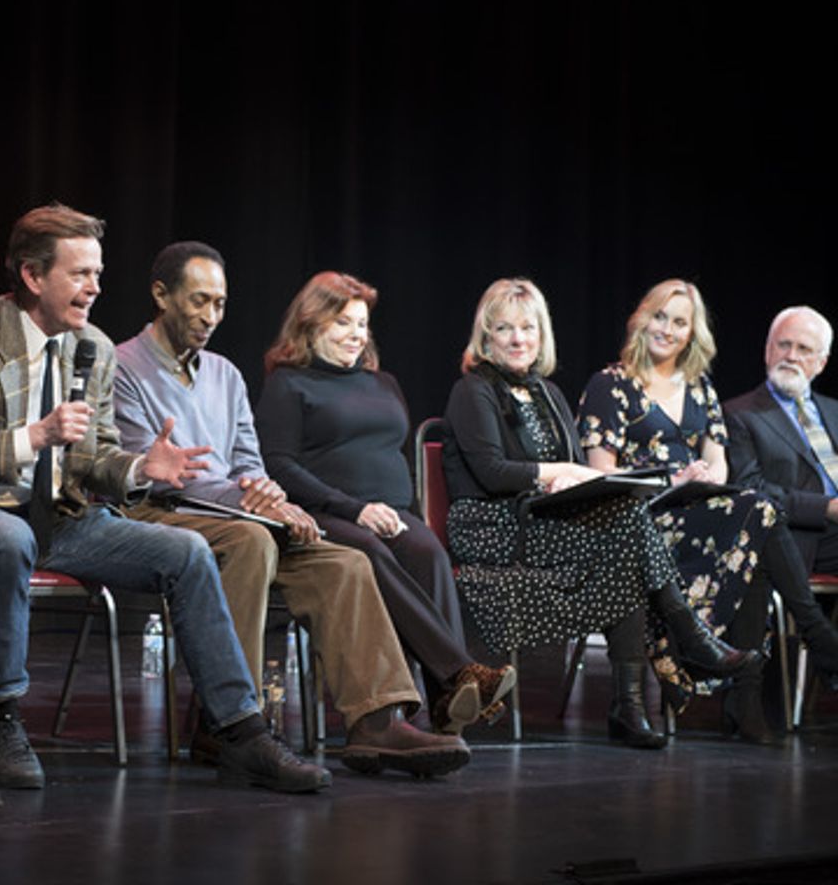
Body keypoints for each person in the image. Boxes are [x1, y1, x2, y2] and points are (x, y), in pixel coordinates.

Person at [0, 205, 329, 794]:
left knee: (187, 552)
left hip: (62, 520)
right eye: (80, 274)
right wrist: (32, 437)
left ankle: (239, 730)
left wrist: (140, 467)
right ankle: (2, 720)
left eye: (98, 273)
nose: (95, 287)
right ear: (32, 276)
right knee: (8, 535)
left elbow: (91, 458)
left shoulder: (91, 348)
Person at [112, 244, 469, 778]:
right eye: (199, 301)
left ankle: (376, 719)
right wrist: (250, 501)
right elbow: (150, 475)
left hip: (239, 514)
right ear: (162, 295)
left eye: (220, 304)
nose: (211, 316)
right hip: (160, 515)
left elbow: (250, 464)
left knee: (345, 562)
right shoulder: (123, 367)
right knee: (251, 542)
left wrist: (271, 500)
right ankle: (233, 722)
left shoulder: (225, 374)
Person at [441, 277, 757, 748]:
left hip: (541, 519)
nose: (517, 339)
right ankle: (677, 650)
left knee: (625, 534)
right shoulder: (473, 390)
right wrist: (563, 472)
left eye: (527, 328)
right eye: (504, 329)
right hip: (491, 525)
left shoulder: (547, 392)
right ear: (486, 338)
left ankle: (633, 703)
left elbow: (572, 470)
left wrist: (570, 481)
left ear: (541, 334)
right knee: (627, 536)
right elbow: (493, 472)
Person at [255, 271, 515, 735]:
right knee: (369, 553)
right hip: (323, 514)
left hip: (390, 512)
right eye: (343, 323)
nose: (356, 334)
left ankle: (446, 704)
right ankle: (461, 672)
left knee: (428, 553)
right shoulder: (288, 384)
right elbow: (279, 465)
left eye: (362, 324)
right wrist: (353, 508)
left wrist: (404, 512)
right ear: (310, 324)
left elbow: (392, 453)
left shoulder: (384, 383)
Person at [579, 281, 838, 741]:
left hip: (696, 513)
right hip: (638, 520)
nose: (667, 329)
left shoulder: (699, 388)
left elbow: (719, 463)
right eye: (660, 317)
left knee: (755, 523)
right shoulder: (610, 384)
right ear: (642, 320)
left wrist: (705, 479)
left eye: (679, 322)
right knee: (757, 514)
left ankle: (750, 697)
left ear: (691, 333)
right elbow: (602, 475)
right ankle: (816, 639)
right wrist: (671, 482)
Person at [725, 308, 838, 669]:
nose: (791, 356)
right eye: (783, 345)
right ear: (767, 351)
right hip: (794, 538)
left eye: (803, 349)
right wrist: (827, 507)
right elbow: (750, 489)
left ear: (821, 362)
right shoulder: (739, 414)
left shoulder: (834, 411)